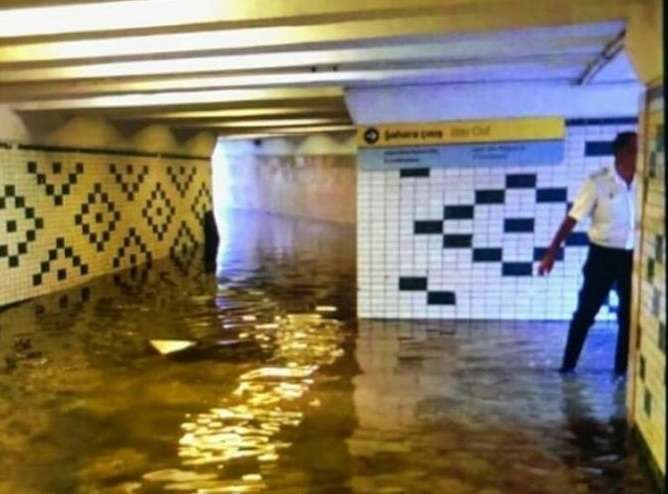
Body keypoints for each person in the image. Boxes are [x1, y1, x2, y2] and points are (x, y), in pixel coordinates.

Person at [538, 131, 638, 376]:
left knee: (628, 317)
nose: (642, 154)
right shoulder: (599, 181)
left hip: (633, 257)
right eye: (637, 149)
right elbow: (573, 217)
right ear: (623, 153)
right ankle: (567, 367)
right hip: (602, 256)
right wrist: (551, 252)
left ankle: (621, 374)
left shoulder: (646, 179)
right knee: (586, 312)